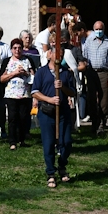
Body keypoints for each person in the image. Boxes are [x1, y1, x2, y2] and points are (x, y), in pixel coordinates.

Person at [32, 45, 76, 187]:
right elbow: (35, 92)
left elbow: (72, 92)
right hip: (47, 112)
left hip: (63, 112)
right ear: (49, 54)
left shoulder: (66, 73)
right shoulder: (41, 72)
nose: (60, 56)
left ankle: (62, 166)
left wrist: (62, 87)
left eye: (62, 54)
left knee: (66, 142)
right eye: (57, 53)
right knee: (49, 143)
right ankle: (51, 172)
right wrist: (49, 99)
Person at [82, 20, 108, 133]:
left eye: (100, 29)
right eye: (96, 29)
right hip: (91, 72)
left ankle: (102, 123)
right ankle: (94, 123)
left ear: (104, 29)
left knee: (103, 99)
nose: (98, 31)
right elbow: (84, 58)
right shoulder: (89, 41)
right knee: (91, 98)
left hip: (104, 73)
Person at [1, 38, 33, 148]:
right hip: (11, 94)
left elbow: (33, 76)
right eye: (15, 48)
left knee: (23, 117)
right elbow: (2, 78)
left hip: (25, 94)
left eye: (19, 48)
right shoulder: (7, 61)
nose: (17, 50)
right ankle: (12, 141)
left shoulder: (27, 60)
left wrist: (25, 73)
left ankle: (22, 139)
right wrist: (14, 73)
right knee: (12, 118)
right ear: (11, 49)